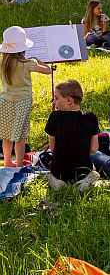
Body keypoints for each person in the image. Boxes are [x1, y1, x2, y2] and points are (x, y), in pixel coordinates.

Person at [0, 27, 52, 167]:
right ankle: (19, 164)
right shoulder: (28, 63)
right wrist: (38, 60)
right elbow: (48, 71)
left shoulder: (2, 62)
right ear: (23, 48)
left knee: (6, 135)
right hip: (23, 101)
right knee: (20, 137)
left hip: (5, 100)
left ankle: (8, 162)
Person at [44, 80, 101, 192]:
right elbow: (94, 149)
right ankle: (83, 183)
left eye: (56, 98)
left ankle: (59, 184)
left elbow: (52, 147)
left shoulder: (54, 117)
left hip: (59, 172)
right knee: (93, 172)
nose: (54, 102)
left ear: (69, 100)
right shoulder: (91, 117)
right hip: (82, 171)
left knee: (50, 174)